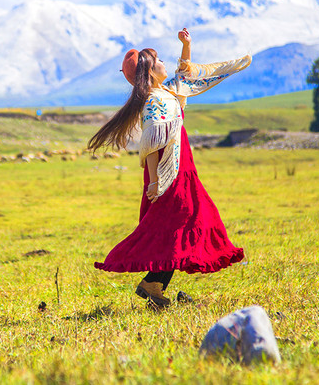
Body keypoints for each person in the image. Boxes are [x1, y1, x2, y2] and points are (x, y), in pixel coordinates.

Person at [88, 28, 252, 308]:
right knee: (181, 223)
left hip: (179, 170)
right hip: (168, 175)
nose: (165, 62)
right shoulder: (154, 100)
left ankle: (153, 286)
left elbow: (185, 74)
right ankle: (152, 283)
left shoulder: (165, 92)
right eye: (159, 59)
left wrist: (186, 46)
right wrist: (155, 182)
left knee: (177, 225)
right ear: (150, 71)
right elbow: (151, 142)